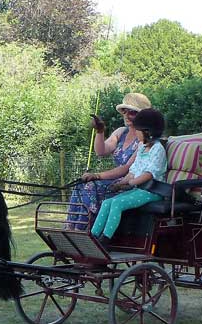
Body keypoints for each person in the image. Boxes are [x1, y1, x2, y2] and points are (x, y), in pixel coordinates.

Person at [67, 92, 152, 229]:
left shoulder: (144, 139)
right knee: (79, 185)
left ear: (142, 116)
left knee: (90, 186)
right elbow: (101, 151)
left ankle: (84, 230)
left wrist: (97, 176)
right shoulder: (121, 132)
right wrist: (100, 131)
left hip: (130, 183)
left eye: (132, 112)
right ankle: (71, 228)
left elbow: (125, 168)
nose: (126, 115)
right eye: (124, 111)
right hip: (114, 180)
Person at [91, 109, 168, 247]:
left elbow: (149, 174)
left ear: (147, 131)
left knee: (117, 204)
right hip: (139, 190)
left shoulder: (158, 149)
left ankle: (106, 239)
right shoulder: (142, 148)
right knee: (107, 202)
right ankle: (93, 236)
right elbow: (133, 171)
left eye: (138, 130)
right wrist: (121, 183)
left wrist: (131, 183)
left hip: (152, 191)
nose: (136, 133)